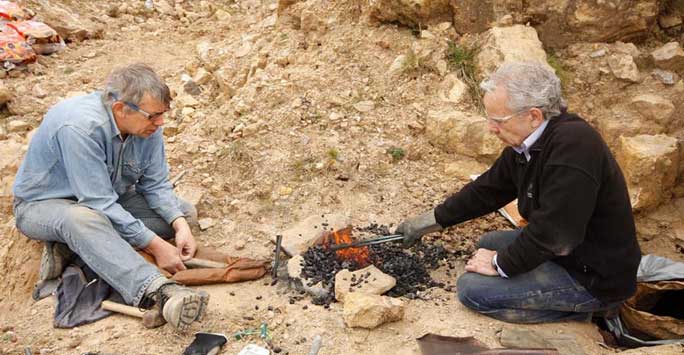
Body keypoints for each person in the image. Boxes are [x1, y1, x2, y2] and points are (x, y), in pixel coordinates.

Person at [396, 61, 641, 323]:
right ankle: (543, 281)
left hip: (593, 274)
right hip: (569, 251)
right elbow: (487, 190)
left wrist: (499, 264)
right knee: (487, 243)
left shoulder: (574, 147)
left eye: (498, 120)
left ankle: (583, 311)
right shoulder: (530, 143)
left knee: (473, 291)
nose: (491, 127)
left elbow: (554, 235)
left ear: (533, 115)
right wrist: (431, 220)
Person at [13, 63, 209, 330]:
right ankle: (160, 291)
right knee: (83, 219)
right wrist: (156, 246)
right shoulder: (80, 127)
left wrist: (179, 224)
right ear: (120, 109)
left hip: (107, 200)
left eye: (163, 114)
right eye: (153, 116)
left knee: (184, 212)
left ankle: (70, 248)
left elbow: (155, 185)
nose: (160, 122)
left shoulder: (147, 125)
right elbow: (97, 203)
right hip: (45, 206)